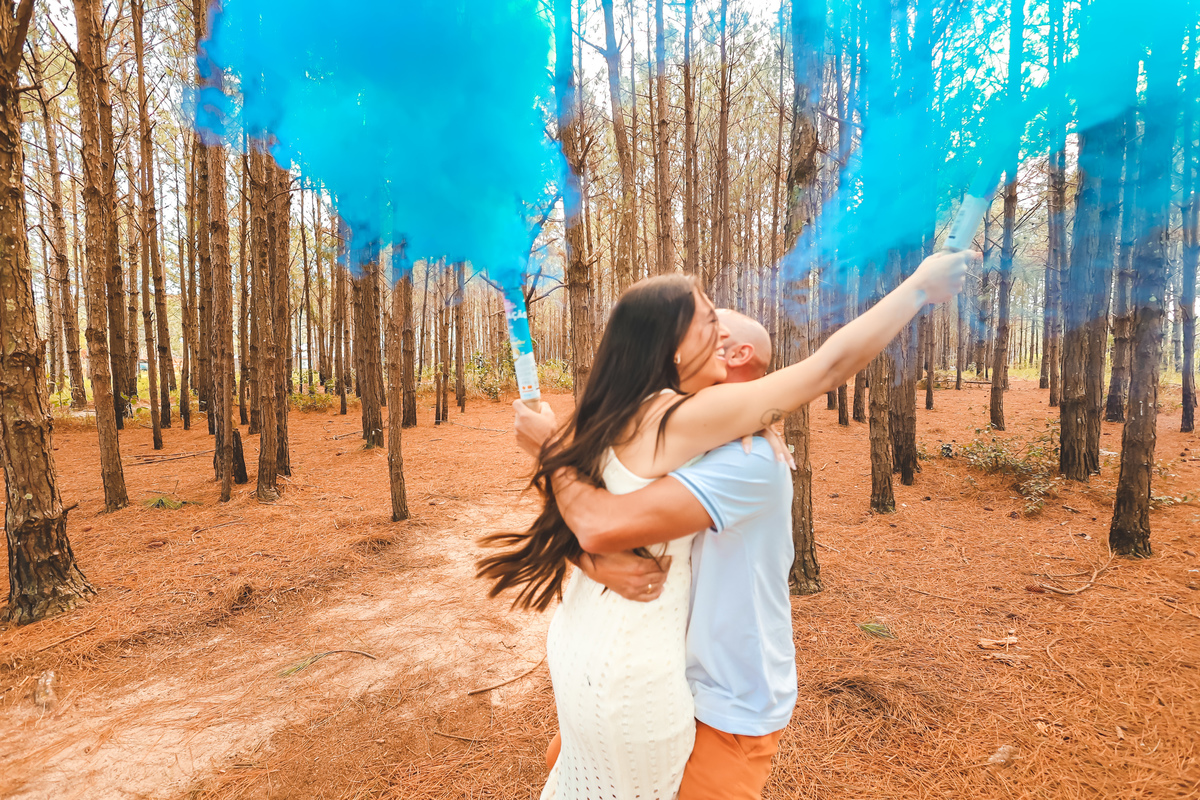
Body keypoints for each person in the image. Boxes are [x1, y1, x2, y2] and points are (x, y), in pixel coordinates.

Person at [477, 250, 969, 800]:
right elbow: (586, 522)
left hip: (682, 684)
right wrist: (918, 287)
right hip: (640, 673)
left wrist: (554, 457)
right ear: (672, 348)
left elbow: (574, 517)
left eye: (720, 322)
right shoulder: (678, 422)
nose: (717, 331)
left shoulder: (691, 435)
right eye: (707, 320)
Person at [514, 309, 796, 799]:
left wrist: (552, 449)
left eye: (707, 333)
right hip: (652, 671)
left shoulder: (747, 458)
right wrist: (598, 563)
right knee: (563, 761)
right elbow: (577, 524)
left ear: (735, 354)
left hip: (723, 701)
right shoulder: (675, 435)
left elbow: (598, 523)